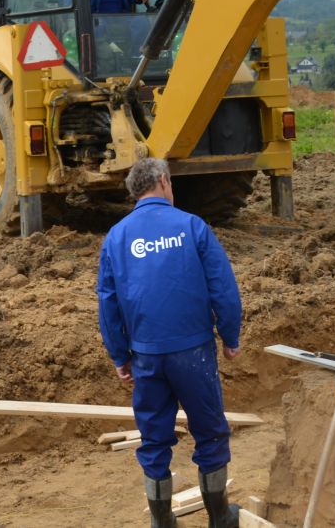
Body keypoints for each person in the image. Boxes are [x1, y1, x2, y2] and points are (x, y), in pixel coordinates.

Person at [97, 158, 242, 528]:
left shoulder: (117, 236)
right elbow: (222, 287)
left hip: (145, 355)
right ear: (163, 181)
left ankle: (162, 523)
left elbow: (108, 302)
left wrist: (118, 355)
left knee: (154, 438)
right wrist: (230, 335)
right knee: (209, 431)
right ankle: (220, 517)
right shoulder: (192, 227)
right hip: (193, 352)